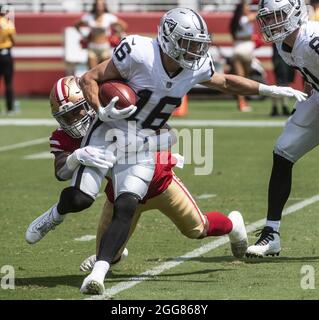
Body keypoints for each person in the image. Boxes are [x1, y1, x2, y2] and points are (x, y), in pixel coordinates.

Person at [26, 8, 306, 295]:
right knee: (82, 197)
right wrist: (101, 111)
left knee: (158, 216)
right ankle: (59, 217)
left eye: (198, 43)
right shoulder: (138, 52)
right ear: (169, 39)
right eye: (189, 43)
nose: (196, 50)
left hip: (144, 148)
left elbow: (225, 81)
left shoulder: (195, 65)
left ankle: (98, 274)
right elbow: (90, 79)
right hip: (108, 134)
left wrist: (270, 90)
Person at [246, 0, 317, 257]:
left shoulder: (313, 39)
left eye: (279, 16)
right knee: (283, 151)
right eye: (269, 17)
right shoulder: (283, 44)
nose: (273, 23)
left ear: (297, 13)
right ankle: (271, 233)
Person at [74, 0, 127, 69]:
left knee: (103, 73)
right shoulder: (89, 17)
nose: (99, 7)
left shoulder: (109, 17)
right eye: (97, 5)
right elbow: (76, 25)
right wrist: (84, 36)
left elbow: (123, 25)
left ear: (104, 6)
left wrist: (115, 36)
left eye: (101, 5)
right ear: (94, 6)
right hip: (92, 48)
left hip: (104, 48)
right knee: (92, 71)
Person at [230, 0, 257, 112]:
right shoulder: (245, 19)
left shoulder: (236, 20)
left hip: (237, 49)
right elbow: (256, 15)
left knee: (240, 78)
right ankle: (243, 102)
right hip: (246, 50)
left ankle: (241, 103)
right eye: (246, 7)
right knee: (245, 78)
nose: (248, 8)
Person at [270, 43, 295, 116]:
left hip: (287, 59)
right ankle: (280, 107)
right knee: (281, 84)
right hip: (281, 59)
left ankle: (280, 107)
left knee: (284, 84)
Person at [0, 5, 16, 115]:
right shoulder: (8, 23)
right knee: (8, 83)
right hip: (6, 54)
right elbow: (14, 39)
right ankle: (9, 108)